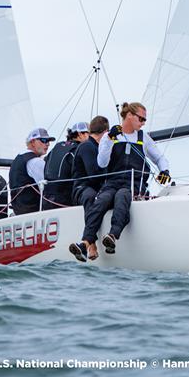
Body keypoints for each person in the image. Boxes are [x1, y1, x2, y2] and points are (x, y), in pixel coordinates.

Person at [86, 102, 170, 255]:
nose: (143, 123)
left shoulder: (143, 137)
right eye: (141, 119)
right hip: (112, 183)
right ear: (129, 116)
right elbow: (101, 163)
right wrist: (110, 139)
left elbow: (160, 158)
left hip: (134, 184)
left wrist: (165, 170)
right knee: (101, 201)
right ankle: (86, 240)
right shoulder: (109, 136)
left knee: (122, 196)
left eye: (144, 120)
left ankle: (112, 235)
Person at [68, 115, 109, 262]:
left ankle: (87, 243)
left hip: (95, 187)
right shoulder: (87, 146)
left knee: (102, 197)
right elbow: (94, 175)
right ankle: (91, 244)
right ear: (105, 132)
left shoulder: (97, 147)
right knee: (91, 197)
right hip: (82, 188)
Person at [43, 122, 89, 209]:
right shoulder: (80, 149)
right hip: (66, 200)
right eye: (89, 133)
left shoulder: (57, 146)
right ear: (80, 134)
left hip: (47, 199)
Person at [9, 128, 55, 215]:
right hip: (33, 212)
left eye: (49, 141)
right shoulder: (35, 161)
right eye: (44, 140)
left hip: (20, 211)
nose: (48, 144)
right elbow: (49, 187)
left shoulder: (18, 158)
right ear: (33, 142)